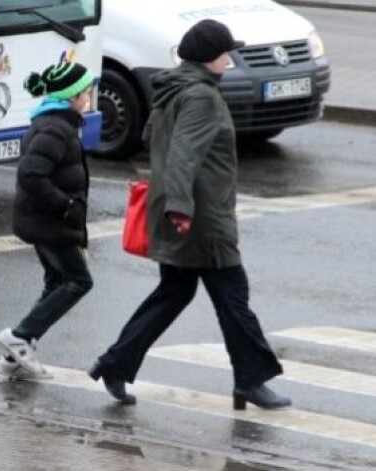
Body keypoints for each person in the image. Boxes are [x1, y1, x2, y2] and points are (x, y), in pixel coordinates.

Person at [88, 19, 292, 409]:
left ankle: (114, 364)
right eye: (225, 52)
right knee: (234, 300)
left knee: (173, 293)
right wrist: (182, 208)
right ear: (209, 57)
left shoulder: (173, 87)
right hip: (200, 220)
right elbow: (183, 153)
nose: (229, 58)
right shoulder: (201, 96)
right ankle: (250, 381)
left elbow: (152, 139)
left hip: (176, 212)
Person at [0, 61, 95, 379]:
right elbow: (31, 173)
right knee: (79, 281)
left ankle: (14, 359)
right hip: (51, 223)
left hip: (44, 221)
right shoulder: (56, 128)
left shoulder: (55, 124)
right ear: (73, 96)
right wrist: (64, 206)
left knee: (56, 282)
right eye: (86, 91)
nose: (90, 97)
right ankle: (20, 337)